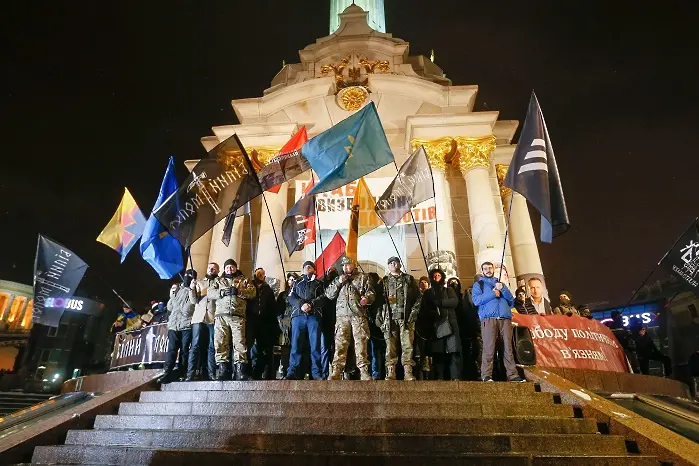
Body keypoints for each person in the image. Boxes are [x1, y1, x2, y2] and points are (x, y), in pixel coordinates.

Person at [472, 262, 525, 383]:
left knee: (508, 348)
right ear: (482, 271)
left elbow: (511, 301)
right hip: (488, 318)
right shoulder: (478, 284)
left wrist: (503, 289)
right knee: (488, 347)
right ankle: (486, 375)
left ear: (493, 269)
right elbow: (476, 300)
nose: (488, 270)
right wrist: (492, 293)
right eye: (485, 269)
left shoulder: (501, 284)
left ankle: (512, 375)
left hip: (504, 318)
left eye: (490, 268)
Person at [325, 256, 375, 380]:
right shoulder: (339, 279)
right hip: (342, 317)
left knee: (361, 344)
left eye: (348, 265)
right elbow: (329, 295)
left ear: (354, 265)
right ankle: (336, 371)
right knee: (340, 344)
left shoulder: (363, 277)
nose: (346, 267)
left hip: (358, 315)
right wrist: (338, 282)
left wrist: (366, 299)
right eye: (344, 265)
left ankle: (364, 371)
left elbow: (371, 293)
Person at [209, 259, 256, 381]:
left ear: (236, 267)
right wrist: (221, 292)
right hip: (221, 316)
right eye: (227, 267)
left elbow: (252, 293)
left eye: (232, 267)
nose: (230, 269)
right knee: (220, 343)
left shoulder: (244, 279)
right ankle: (223, 369)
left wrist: (239, 291)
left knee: (239, 342)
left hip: (237, 315)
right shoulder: (218, 280)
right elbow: (210, 293)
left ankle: (240, 370)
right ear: (224, 269)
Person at [379, 257, 420, 380]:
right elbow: (380, 301)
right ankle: (391, 371)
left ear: (400, 264)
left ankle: (408, 371)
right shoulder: (384, 281)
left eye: (395, 262)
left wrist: (414, 312)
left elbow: (418, 297)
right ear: (388, 265)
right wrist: (380, 316)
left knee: (407, 345)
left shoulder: (408, 279)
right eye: (390, 262)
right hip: (390, 318)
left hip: (405, 318)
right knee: (390, 346)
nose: (393, 264)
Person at [287, 261, 325, 380]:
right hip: (298, 316)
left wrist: (312, 304)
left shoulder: (319, 283)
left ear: (314, 270)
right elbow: (291, 297)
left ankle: (316, 373)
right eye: (305, 267)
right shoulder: (296, 282)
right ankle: (292, 371)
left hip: (313, 316)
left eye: (310, 267)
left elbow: (324, 297)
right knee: (296, 345)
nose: (307, 268)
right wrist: (301, 304)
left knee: (315, 346)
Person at [423, 268, 461, 380]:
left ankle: (455, 376)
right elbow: (425, 308)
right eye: (434, 276)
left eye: (438, 275)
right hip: (436, 325)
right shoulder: (428, 293)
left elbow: (454, 302)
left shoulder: (448, 290)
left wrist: (440, 302)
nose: (436, 278)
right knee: (438, 352)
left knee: (453, 351)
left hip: (450, 324)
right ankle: (439, 376)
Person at [160, 269, 197, 384]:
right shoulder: (178, 289)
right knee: (171, 350)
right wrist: (172, 294)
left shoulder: (195, 288)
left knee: (184, 350)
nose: (187, 277)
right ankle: (167, 372)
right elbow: (170, 307)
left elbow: (194, 301)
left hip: (186, 324)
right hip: (174, 325)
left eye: (190, 276)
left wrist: (192, 289)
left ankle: (182, 372)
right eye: (186, 275)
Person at [187, 262, 218, 381]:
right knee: (195, 346)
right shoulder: (199, 282)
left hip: (212, 318)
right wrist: (192, 288)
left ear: (217, 271)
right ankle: (190, 374)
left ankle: (211, 373)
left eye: (214, 268)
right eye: (210, 268)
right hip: (199, 318)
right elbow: (194, 300)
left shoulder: (219, 283)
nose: (211, 270)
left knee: (211, 346)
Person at [247, 267, 278, 380]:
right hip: (251, 320)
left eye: (263, 274)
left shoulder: (268, 289)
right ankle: (247, 371)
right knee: (248, 347)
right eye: (259, 273)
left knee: (262, 349)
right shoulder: (249, 286)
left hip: (264, 322)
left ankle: (258, 373)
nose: (261, 275)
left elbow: (272, 307)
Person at [449, 277, 481, 381]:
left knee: (468, 352)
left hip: (465, 330)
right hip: (451, 329)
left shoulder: (464, 297)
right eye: (451, 283)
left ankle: (469, 374)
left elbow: (469, 312)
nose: (454, 285)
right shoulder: (448, 298)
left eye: (455, 283)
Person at [277, 272, 299, 378]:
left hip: (296, 320)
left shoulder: (299, 293)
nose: (292, 281)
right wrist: (280, 320)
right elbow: (278, 309)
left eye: (294, 279)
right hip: (285, 322)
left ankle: (296, 370)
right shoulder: (283, 295)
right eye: (290, 279)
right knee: (285, 347)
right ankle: (285, 369)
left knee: (297, 346)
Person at [319, 267, 339, 379]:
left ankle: (337, 372)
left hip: (338, 321)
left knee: (337, 349)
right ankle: (324, 373)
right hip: (325, 322)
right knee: (325, 349)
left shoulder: (341, 285)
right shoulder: (322, 286)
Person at [367, 272, 387, 380]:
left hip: (376, 324)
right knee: (378, 350)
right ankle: (378, 373)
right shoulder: (379, 290)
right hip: (377, 324)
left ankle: (376, 373)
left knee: (375, 350)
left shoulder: (375, 291)